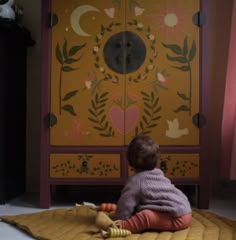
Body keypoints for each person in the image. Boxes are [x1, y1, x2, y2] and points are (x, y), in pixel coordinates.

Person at [96, 135, 192, 233]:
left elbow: (126, 204)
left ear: (130, 162)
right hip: (186, 211)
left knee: (146, 215)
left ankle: (120, 226)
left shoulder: (136, 182)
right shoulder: (158, 173)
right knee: (144, 207)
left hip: (177, 219)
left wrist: (120, 217)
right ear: (157, 160)